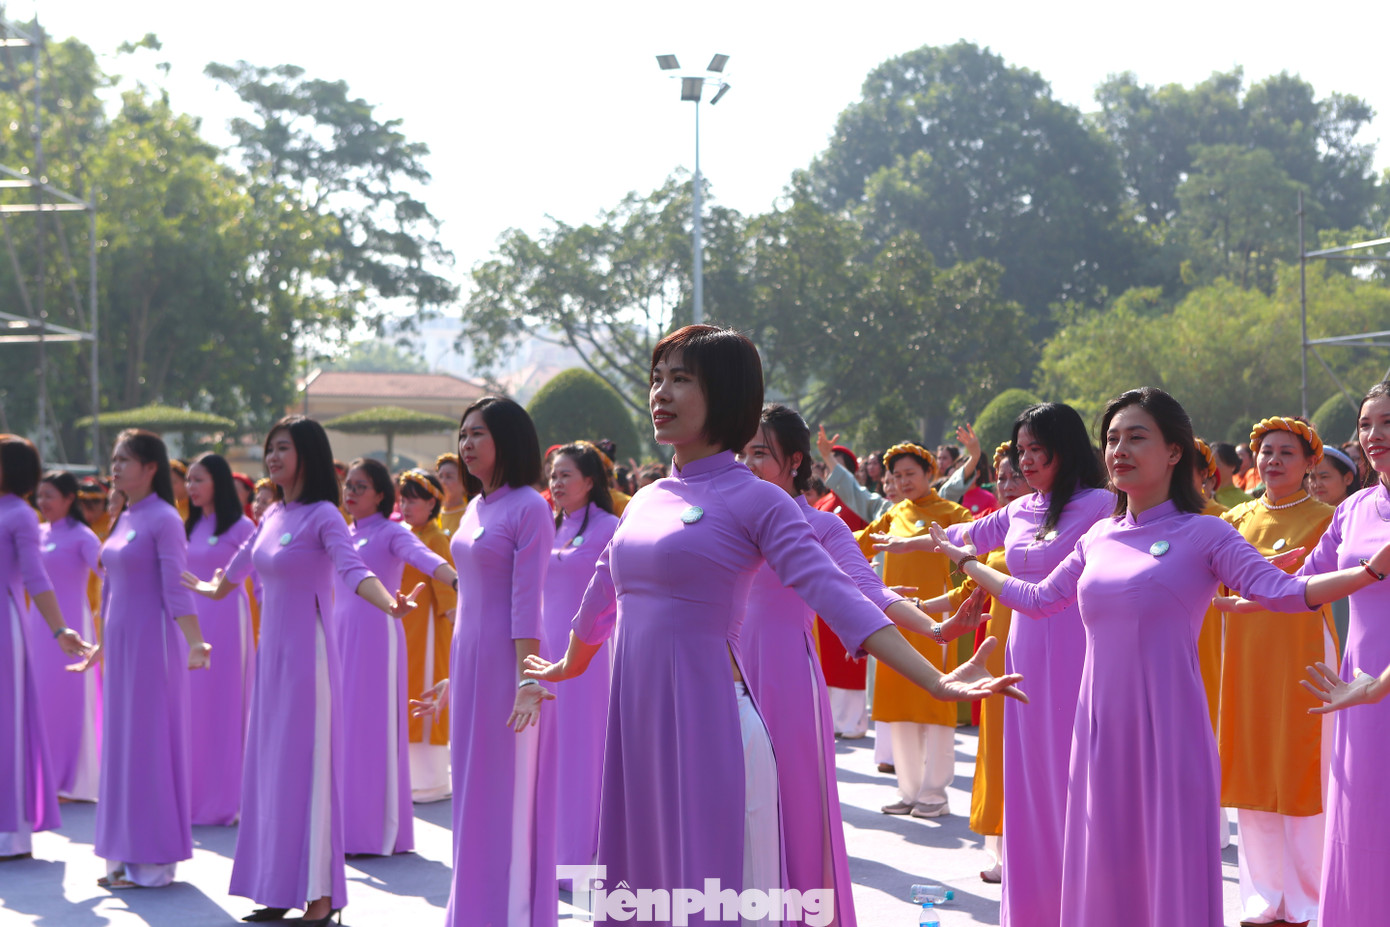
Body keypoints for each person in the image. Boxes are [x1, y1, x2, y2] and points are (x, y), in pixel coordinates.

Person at [522, 326, 1021, 927]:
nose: (661, 392)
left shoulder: (758, 501)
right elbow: (603, 590)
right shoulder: (649, 499)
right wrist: (569, 662)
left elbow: (840, 594)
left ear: (725, 395)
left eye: (681, 379)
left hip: (713, 727)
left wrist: (936, 678)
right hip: (637, 727)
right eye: (658, 378)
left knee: (713, 898)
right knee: (643, 892)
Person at [934, 387, 1390, 927]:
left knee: (1167, 877)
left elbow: (1285, 592)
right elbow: (1036, 599)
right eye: (1112, 439)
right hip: (1097, 733)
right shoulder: (1098, 536)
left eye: (1136, 437)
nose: (1120, 450)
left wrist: (1369, 573)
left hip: (1170, 732)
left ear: (1174, 451)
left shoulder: (1206, 533)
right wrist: (968, 562)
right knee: (1102, 871)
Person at [738, 403, 1001, 925]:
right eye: (742, 452)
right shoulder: (728, 519)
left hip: (785, 679)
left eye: (760, 453)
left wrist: (936, 629)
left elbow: (869, 591)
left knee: (789, 808)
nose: (747, 464)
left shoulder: (820, 526)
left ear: (795, 461)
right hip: (723, 676)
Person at [874, 402, 1111, 927]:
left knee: (1077, 779)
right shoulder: (1022, 509)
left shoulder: (1102, 505)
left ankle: (1084, 903)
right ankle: (1034, 905)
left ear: (1066, 449)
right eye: (1021, 450)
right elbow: (963, 537)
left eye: (1037, 449)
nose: (1026, 461)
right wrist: (904, 543)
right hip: (1022, 652)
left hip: (1079, 651)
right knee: (1029, 780)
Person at [182, 416, 420, 925]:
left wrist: (389, 604)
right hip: (271, 659)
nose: (272, 456)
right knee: (270, 772)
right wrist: (207, 588)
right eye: (270, 447)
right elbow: (239, 567)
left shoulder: (323, 515)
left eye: (283, 448)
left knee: (308, 772)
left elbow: (353, 569)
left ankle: (320, 898)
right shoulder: (272, 514)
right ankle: (275, 887)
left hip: (309, 659)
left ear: (307, 455)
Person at [410, 396, 557, 927]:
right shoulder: (476, 506)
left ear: (508, 440)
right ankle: (473, 910)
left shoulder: (529, 507)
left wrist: (527, 680)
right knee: (471, 796)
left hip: (510, 669)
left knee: (505, 796)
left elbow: (526, 603)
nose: (466, 444)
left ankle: (510, 913)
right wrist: (453, 677)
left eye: (478, 434)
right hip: (471, 666)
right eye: (463, 434)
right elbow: (472, 598)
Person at [1258, 380, 1390, 927]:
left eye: (1387, 423)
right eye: (1366, 424)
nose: (1374, 435)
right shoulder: (1356, 508)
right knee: (1360, 823)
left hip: (1375, 684)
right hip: (1357, 690)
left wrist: (1380, 683)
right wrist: (1253, 589)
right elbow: (1307, 581)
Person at [1216, 417, 1338, 925]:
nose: (1274, 460)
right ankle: (1263, 898)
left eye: (1287, 452)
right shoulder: (1235, 518)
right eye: (1267, 451)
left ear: (1310, 463)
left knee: (1302, 770)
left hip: (1304, 653)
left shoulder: (1329, 518)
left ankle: (1309, 898)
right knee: (1254, 769)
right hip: (1247, 657)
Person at [79, 429, 211, 889]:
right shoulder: (127, 515)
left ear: (151, 467)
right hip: (121, 648)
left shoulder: (165, 519)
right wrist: (101, 645)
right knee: (121, 747)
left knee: (149, 745)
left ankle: (152, 863)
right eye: (114, 459)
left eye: (124, 460)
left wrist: (195, 641)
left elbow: (176, 585)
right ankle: (121, 855)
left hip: (152, 646)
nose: (115, 467)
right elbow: (110, 588)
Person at [908, 441, 1031, 884]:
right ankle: (1003, 851)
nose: (1007, 485)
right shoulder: (995, 534)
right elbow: (966, 594)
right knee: (999, 749)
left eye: (1017, 475)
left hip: (1045, 655)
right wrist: (915, 607)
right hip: (997, 657)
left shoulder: (1058, 530)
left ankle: (1042, 850)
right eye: (1002, 477)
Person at [336, 458, 453, 856]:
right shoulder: (342, 532)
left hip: (376, 635)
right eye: (349, 485)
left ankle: (374, 830)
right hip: (339, 636)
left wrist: (458, 579)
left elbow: (424, 557)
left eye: (361, 486)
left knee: (372, 728)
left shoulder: (391, 531)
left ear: (381, 494)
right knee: (344, 729)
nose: (351, 492)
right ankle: (346, 825)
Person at [856, 442, 974, 819]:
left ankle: (934, 794)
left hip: (935, 623)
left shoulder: (953, 513)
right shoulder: (893, 514)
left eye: (910, 474)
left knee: (936, 706)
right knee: (900, 708)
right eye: (897, 476)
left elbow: (974, 555)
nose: (903, 481)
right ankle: (908, 790)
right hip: (894, 621)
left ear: (930, 474)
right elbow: (856, 545)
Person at [0, 437, 95, 861]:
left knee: (7, 723)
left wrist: (60, 630)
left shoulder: (20, 513)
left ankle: (10, 832)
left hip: (6, 623)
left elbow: (36, 578)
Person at [539, 442, 620, 873]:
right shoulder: (545, 525)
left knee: (579, 749)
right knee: (546, 751)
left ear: (590, 481)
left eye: (565, 474)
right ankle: (545, 853)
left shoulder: (610, 527)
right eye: (553, 475)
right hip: (541, 650)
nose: (556, 482)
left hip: (586, 654)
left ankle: (577, 854)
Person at [183, 453, 257, 827]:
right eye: (189, 480)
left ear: (219, 482)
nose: (190, 487)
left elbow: (259, 578)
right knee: (192, 707)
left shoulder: (242, 527)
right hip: (189, 624)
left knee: (225, 706)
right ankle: (192, 796)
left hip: (227, 621)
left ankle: (229, 798)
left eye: (199, 480)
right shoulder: (189, 525)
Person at [28, 470, 103, 802]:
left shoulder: (83, 536)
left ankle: (71, 780)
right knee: (41, 699)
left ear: (69, 498)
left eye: (49, 496)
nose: (42, 502)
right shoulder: (37, 532)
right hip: (37, 625)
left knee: (68, 699)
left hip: (72, 625)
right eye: (39, 496)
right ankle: (42, 775)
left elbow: (109, 573)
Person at [395, 468, 456, 803]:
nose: (406, 506)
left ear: (432, 502)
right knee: (405, 691)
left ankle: (431, 780)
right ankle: (411, 778)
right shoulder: (403, 533)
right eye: (403, 500)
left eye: (413, 500)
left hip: (430, 630)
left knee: (426, 689)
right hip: (405, 629)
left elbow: (448, 594)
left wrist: (456, 629)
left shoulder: (436, 538)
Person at [1308, 444, 1361, 651]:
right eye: (1312, 477)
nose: (1316, 484)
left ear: (1347, 478)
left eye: (1324, 476)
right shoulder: (1309, 517)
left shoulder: (1360, 515)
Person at [434, 453, 468, 538]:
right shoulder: (432, 514)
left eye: (449, 477)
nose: (443, 482)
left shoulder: (469, 514)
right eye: (440, 476)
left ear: (464, 482)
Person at [1213, 441, 1255, 508]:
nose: (1212, 467)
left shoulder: (1248, 503)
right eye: (1210, 463)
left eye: (1216, 463)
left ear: (1232, 466)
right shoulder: (1202, 496)